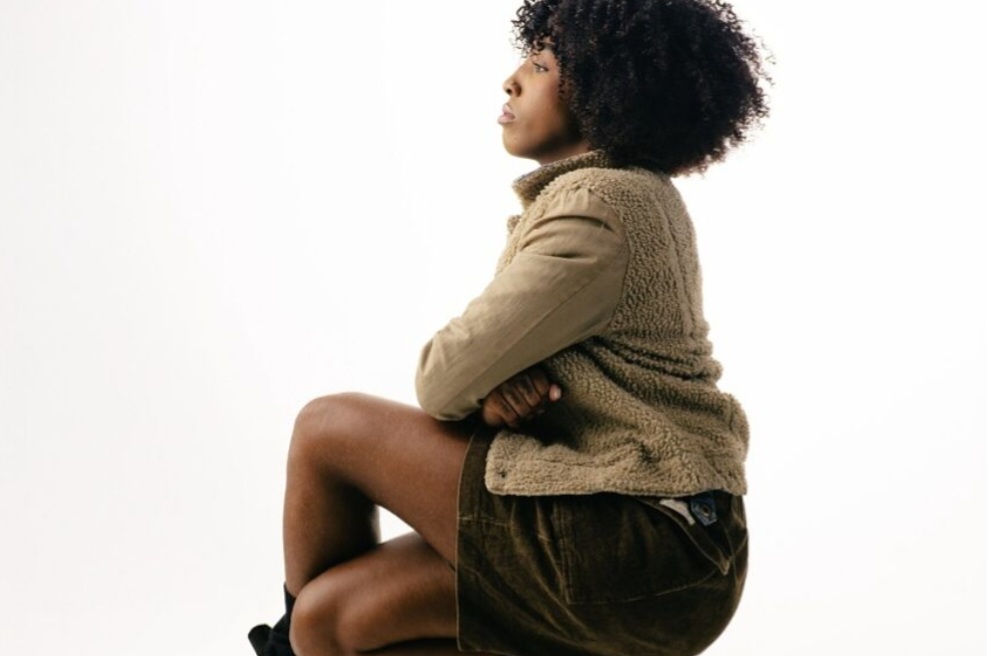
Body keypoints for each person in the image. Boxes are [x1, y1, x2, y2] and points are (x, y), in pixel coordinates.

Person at [248, 0, 770, 654]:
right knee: (328, 620)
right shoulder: (632, 197)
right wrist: (492, 397)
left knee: (328, 429)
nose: (511, 81)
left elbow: (444, 379)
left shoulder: (598, 206)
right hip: (675, 550)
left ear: (608, 92)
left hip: (640, 539)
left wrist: (481, 393)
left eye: (541, 65)